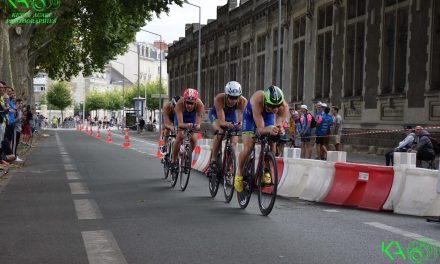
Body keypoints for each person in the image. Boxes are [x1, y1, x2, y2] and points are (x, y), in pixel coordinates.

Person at [235, 85, 288, 193]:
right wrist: (269, 129)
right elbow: (260, 129)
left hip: (267, 117)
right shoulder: (257, 100)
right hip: (250, 117)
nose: (275, 109)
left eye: (277, 106)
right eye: (272, 106)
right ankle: (239, 174)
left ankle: (266, 169)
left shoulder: (283, 107)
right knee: (248, 147)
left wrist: (279, 129)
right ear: (266, 101)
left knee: (273, 141)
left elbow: (278, 124)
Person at [208, 81, 247, 170]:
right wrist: (226, 124)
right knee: (220, 132)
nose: (233, 100)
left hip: (231, 116)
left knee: (233, 143)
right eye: (231, 97)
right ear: (226, 95)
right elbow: (222, 121)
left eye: (236, 98)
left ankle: (228, 167)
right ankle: (213, 159)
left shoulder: (243, 101)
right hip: (217, 115)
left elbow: (242, 116)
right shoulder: (219, 99)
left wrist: (240, 124)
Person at [170, 89, 205, 172]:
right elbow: (180, 124)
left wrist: (197, 125)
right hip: (181, 119)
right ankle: (173, 161)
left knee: (194, 139)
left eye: (192, 103)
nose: (189, 105)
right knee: (180, 136)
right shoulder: (179, 104)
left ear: (195, 102)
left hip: (192, 118)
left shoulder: (200, 105)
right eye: (187, 103)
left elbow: (198, 123)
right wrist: (187, 125)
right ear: (184, 100)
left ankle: (187, 156)